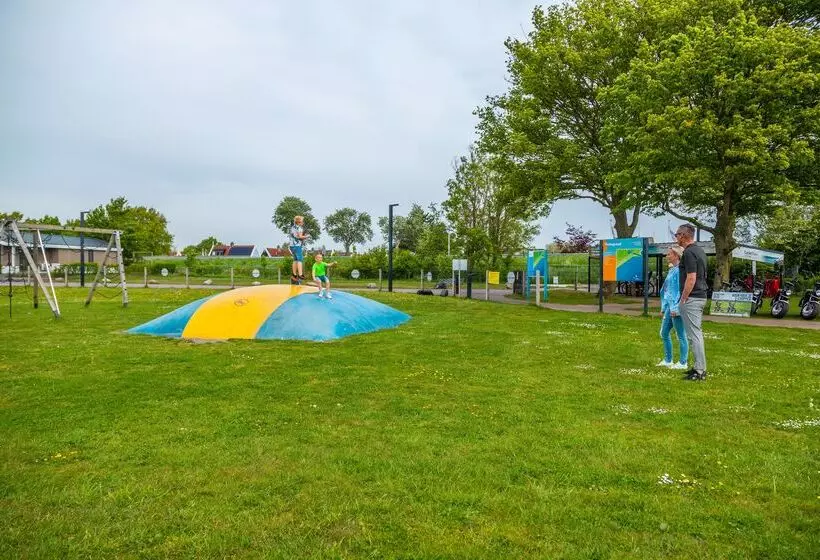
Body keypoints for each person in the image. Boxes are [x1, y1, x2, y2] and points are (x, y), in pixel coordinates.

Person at [676, 224, 709, 381]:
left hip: (693, 297)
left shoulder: (689, 253)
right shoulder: (700, 251)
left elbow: (691, 277)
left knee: (694, 335)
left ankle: (700, 370)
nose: (676, 237)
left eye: (677, 234)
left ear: (683, 235)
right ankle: (698, 366)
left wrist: (684, 297)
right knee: (695, 333)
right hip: (700, 295)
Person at [657, 245, 688, 369]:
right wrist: (664, 306)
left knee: (681, 335)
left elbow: (681, 291)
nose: (667, 256)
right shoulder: (672, 270)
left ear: (676, 255)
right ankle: (668, 360)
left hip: (677, 307)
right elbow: (667, 290)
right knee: (664, 333)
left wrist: (676, 307)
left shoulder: (680, 271)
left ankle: (683, 362)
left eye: (669, 254)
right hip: (669, 306)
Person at [288, 216, 309, 282]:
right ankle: (300, 274)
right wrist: (306, 236)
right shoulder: (299, 228)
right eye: (302, 221)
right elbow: (300, 237)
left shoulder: (292, 227)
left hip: (291, 246)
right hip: (297, 246)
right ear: (299, 222)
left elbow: (294, 235)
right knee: (300, 260)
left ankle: (294, 274)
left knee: (295, 260)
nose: (303, 222)